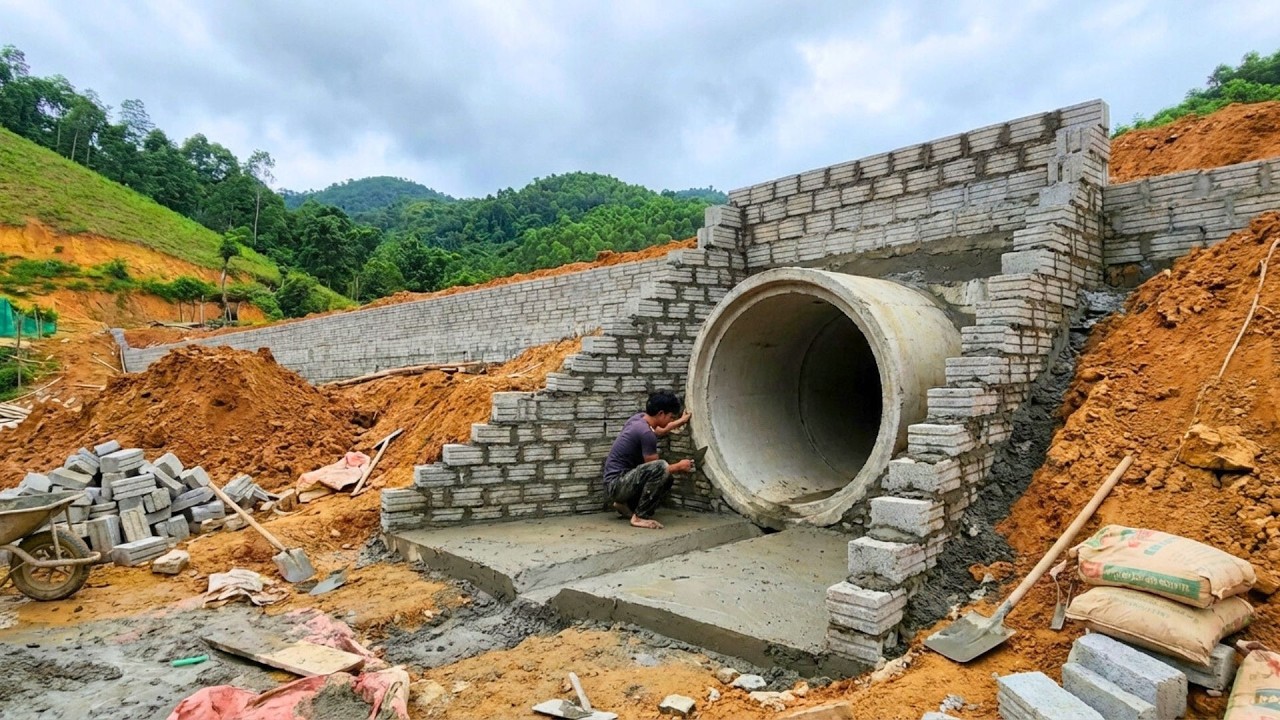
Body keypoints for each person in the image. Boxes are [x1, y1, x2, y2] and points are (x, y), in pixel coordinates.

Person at [601, 390, 695, 529]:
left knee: (664, 474)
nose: (671, 420)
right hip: (618, 485)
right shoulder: (646, 434)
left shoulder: (639, 419)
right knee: (662, 469)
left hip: (615, 483)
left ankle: (624, 504)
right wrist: (680, 466)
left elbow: (660, 430)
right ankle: (639, 517)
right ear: (661, 414)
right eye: (671, 417)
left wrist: (680, 421)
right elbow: (656, 468)